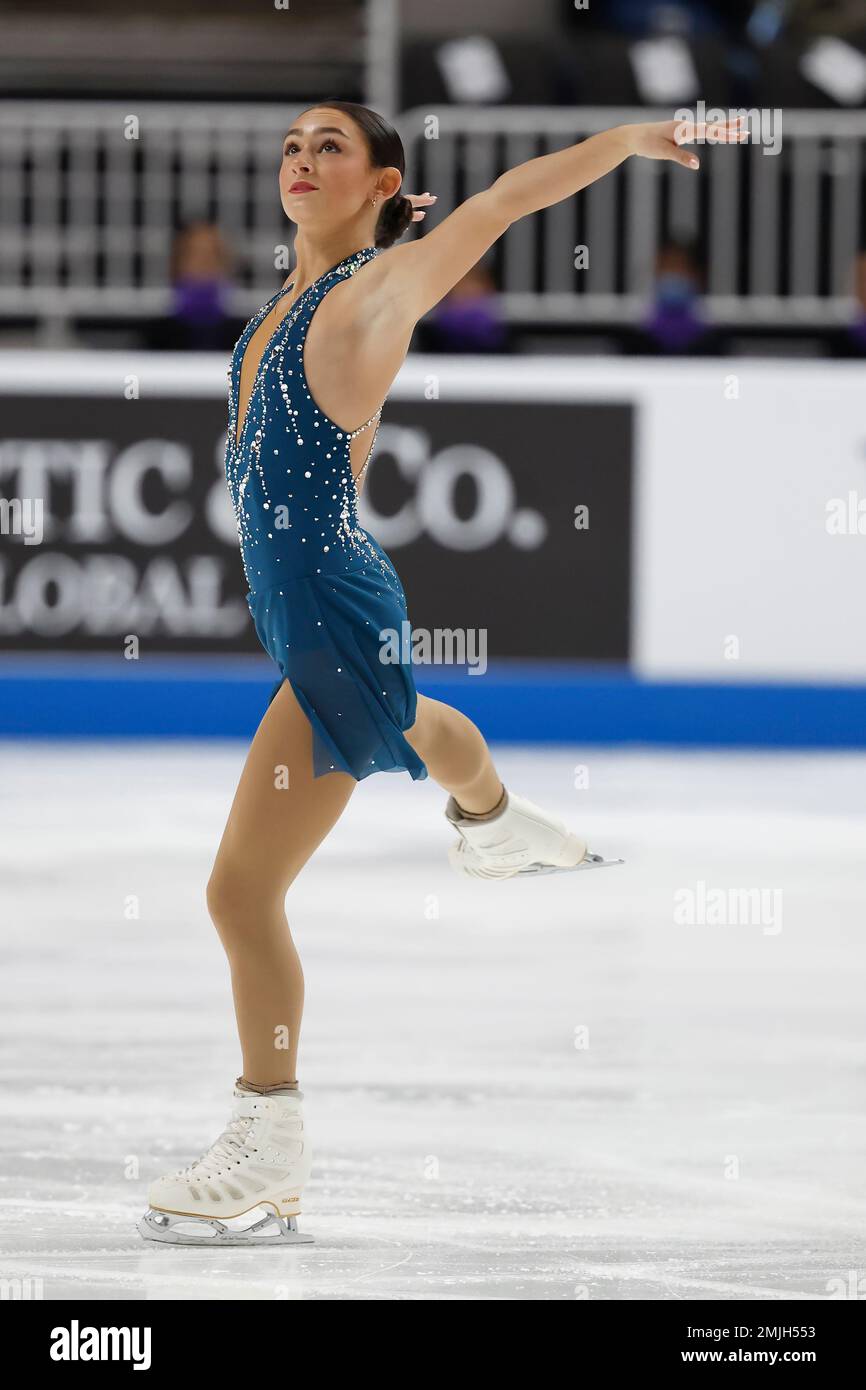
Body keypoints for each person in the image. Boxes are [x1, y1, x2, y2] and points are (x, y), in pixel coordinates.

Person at [138, 100, 746, 1247]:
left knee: (238, 893)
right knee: (406, 714)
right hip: (322, 606)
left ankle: (268, 1139)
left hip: (325, 616)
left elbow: (503, 202)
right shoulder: (283, 307)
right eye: (292, 147)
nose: (302, 160)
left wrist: (623, 143)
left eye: (331, 147)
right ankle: (494, 817)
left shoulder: (379, 290)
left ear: (379, 181)